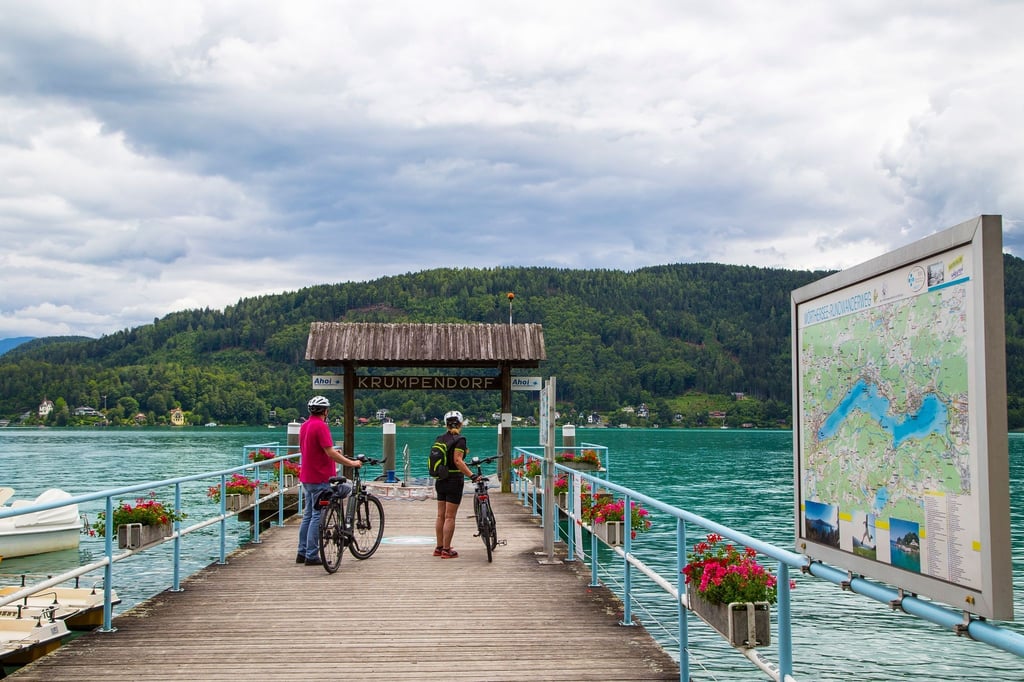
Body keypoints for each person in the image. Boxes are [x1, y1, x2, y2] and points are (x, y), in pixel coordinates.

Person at [296, 395, 362, 566]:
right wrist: (351, 463)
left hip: (307, 477)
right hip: (320, 477)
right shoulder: (321, 426)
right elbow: (330, 452)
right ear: (325, 411)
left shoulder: (305, 426)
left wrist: (336, 454)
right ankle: (312, 555)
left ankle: (302, 552)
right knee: (317, 515)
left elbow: (317, 449)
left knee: (308, 514)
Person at [433, 409, 479, 559]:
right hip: (454, 480)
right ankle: (447, 550)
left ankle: (439, 547)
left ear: (446, 424)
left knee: (440, 515)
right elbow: (458, 461)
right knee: (450, 517)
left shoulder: (439, 438)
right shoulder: (460, 439)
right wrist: (472, 475)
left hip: (440, 480)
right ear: (460, 424)